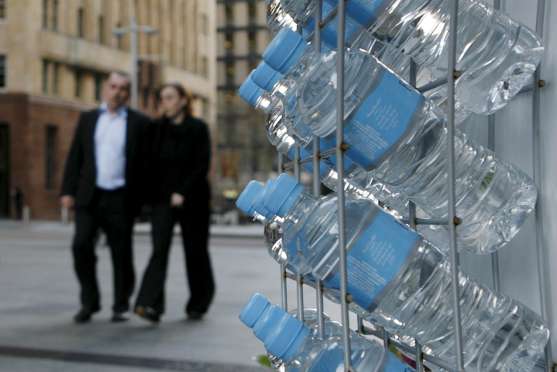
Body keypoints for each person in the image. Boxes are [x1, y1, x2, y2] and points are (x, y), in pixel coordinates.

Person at [60, 71, 150, 323]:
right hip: (89, 196)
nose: (117, 91)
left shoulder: (139, 123)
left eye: (123, 88)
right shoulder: (88, 119)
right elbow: (75, 157)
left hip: (121, 198)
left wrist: (142, 201)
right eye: (113, 86)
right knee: (80, 246)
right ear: (104, 89)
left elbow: (145, 164)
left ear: (128, 93)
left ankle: (120, 304)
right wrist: (67, 191)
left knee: (121, 254)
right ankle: (89, 301)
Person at [134, 82, 215, 323]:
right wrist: (156, 195)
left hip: (194, 200)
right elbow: (148, 165)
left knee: (196, 252)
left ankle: (198, 304)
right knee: (159, 250)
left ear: (182, 100)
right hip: (162, 200)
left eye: (169, 98)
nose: (165, 103)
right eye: (162, 98)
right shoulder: (155, 129)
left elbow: (201, 164)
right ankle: (149, 304)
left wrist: (182, 191)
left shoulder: (198, 128)